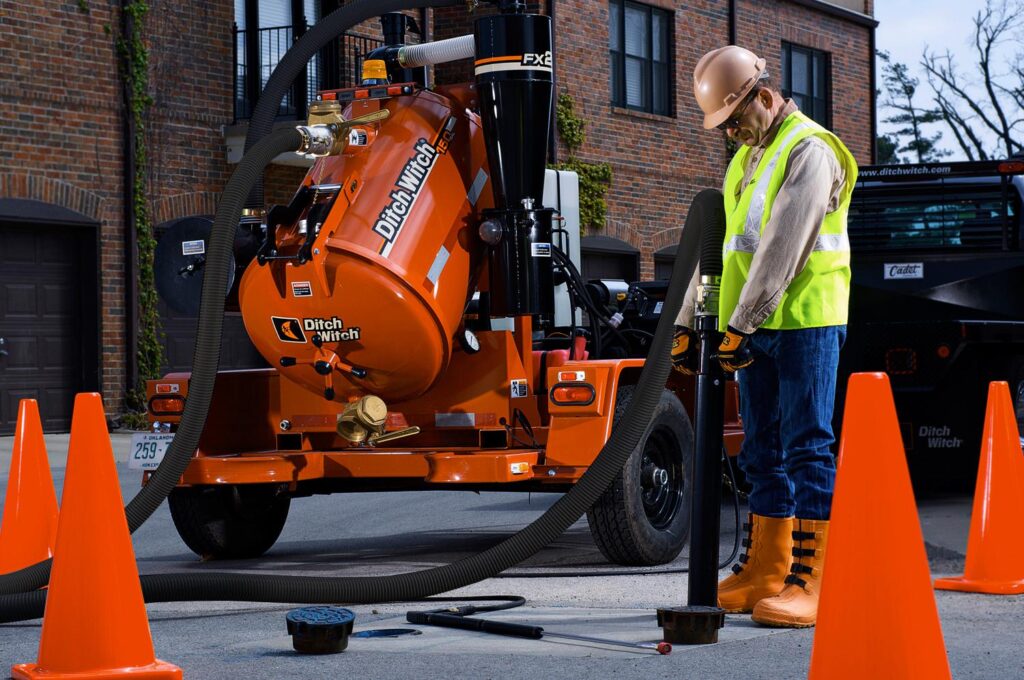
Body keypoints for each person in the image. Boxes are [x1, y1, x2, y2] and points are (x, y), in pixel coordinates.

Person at [670, 45, 857, 628]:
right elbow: (718, 251)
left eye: (734, 120)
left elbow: (783, 249)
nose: (730, 135)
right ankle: (767, 571)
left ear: (764, 96)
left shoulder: (810, 150)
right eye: (723, 127)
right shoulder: (747, 160)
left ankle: (811, 579)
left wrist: (738, 325)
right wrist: (684, 323)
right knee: (759, 451)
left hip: (804, 321)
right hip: (751, 328)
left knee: (806, 444)